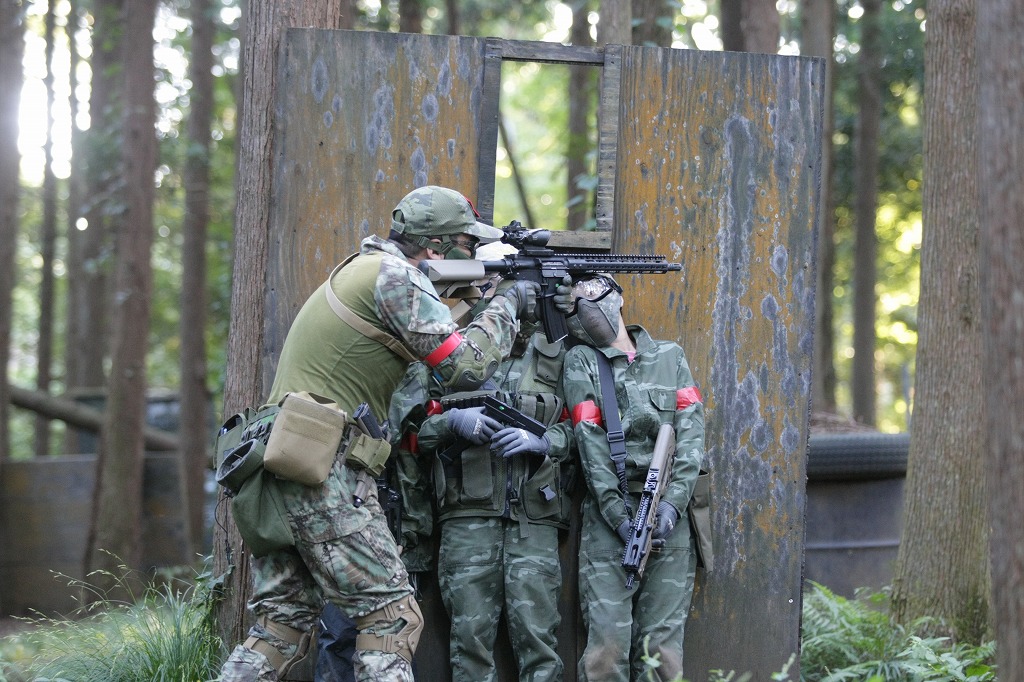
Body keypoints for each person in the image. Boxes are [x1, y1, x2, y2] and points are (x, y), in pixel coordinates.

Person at [217, 185, 542, 682]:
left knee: (282, 624)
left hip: (282, 462)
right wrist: (509, 301)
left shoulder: (363, 270)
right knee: (391, 618)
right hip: (323, 471)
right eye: (468, 244)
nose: (473, 254)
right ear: (436, 248)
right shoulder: (397, 277)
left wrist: (477, 294)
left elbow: (431, 347)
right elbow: (465, 368)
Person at [411, 317, 577, 682]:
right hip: (466, 521)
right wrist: (453, 420)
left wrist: (545, 441)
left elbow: (584, 430)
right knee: (469, 644)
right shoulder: (451, 353)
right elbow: (413, 434)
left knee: (539, 645)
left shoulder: (560, 355)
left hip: (534, 522)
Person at [560, 274, 706, 682]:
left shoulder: (670, 356)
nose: (585, 306)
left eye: (593, 294)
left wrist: (672, 507)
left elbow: (692, 437)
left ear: (618, 299)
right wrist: (618, 517)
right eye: (575, 302)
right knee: (606, 650)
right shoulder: (582, 361)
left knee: (662, 652)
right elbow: (589, 445)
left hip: (670, 515)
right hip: (614, 518)